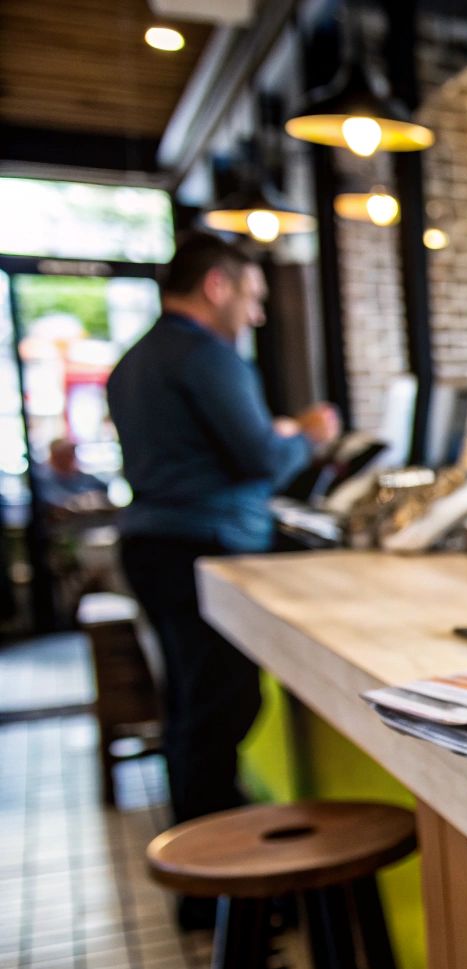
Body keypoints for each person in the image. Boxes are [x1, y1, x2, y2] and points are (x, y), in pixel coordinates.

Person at [108, 233, 341, 849]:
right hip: (200, 549)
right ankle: (214, 882)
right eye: (252, 297)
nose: (256, 313)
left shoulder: (136, 360)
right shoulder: (207, 356)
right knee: (219, 710)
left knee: (189, 706)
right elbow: (260, 457)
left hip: (152, 545)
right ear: (217, 285)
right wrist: (310, 434)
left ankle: (196, 853)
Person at [32, 439, 108, 510]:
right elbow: (54, 499)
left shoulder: (80, 475)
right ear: (54, 458)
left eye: (71, 454)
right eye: (64, 456)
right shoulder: (44, 479)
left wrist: (94, 496)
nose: (71, 458)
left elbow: (104, 487)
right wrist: (80, 500)